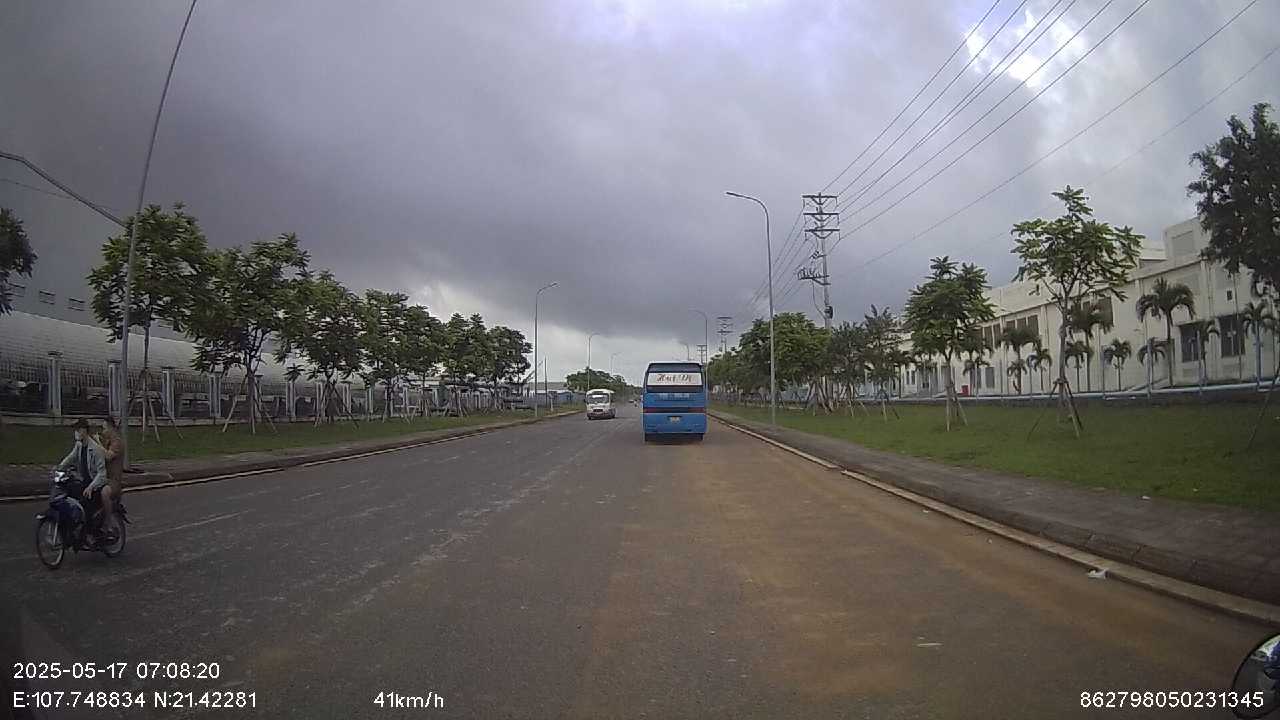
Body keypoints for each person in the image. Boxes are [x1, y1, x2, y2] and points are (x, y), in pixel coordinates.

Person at [55, 419, 109, 545]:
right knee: (66, 495)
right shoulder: (79, 445)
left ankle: (89, 534)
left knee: (86, 503)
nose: (76, 432)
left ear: (85, 431)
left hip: (96, 485)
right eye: (75, 430)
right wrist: (59, 467)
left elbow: (102, 474)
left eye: (78, 430)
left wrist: (91, 487)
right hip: (84, 483)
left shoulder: (95, 449)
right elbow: (71, 458)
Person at [97, 415, 124, 527]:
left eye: (104, 429)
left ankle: (108, 521)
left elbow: (108, 456)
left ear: (110, 428)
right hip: (103, 478)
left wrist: (97, 444)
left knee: (105, 492)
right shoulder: (107, 442)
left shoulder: (117, 442)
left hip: (113, 481)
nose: (103, 432)